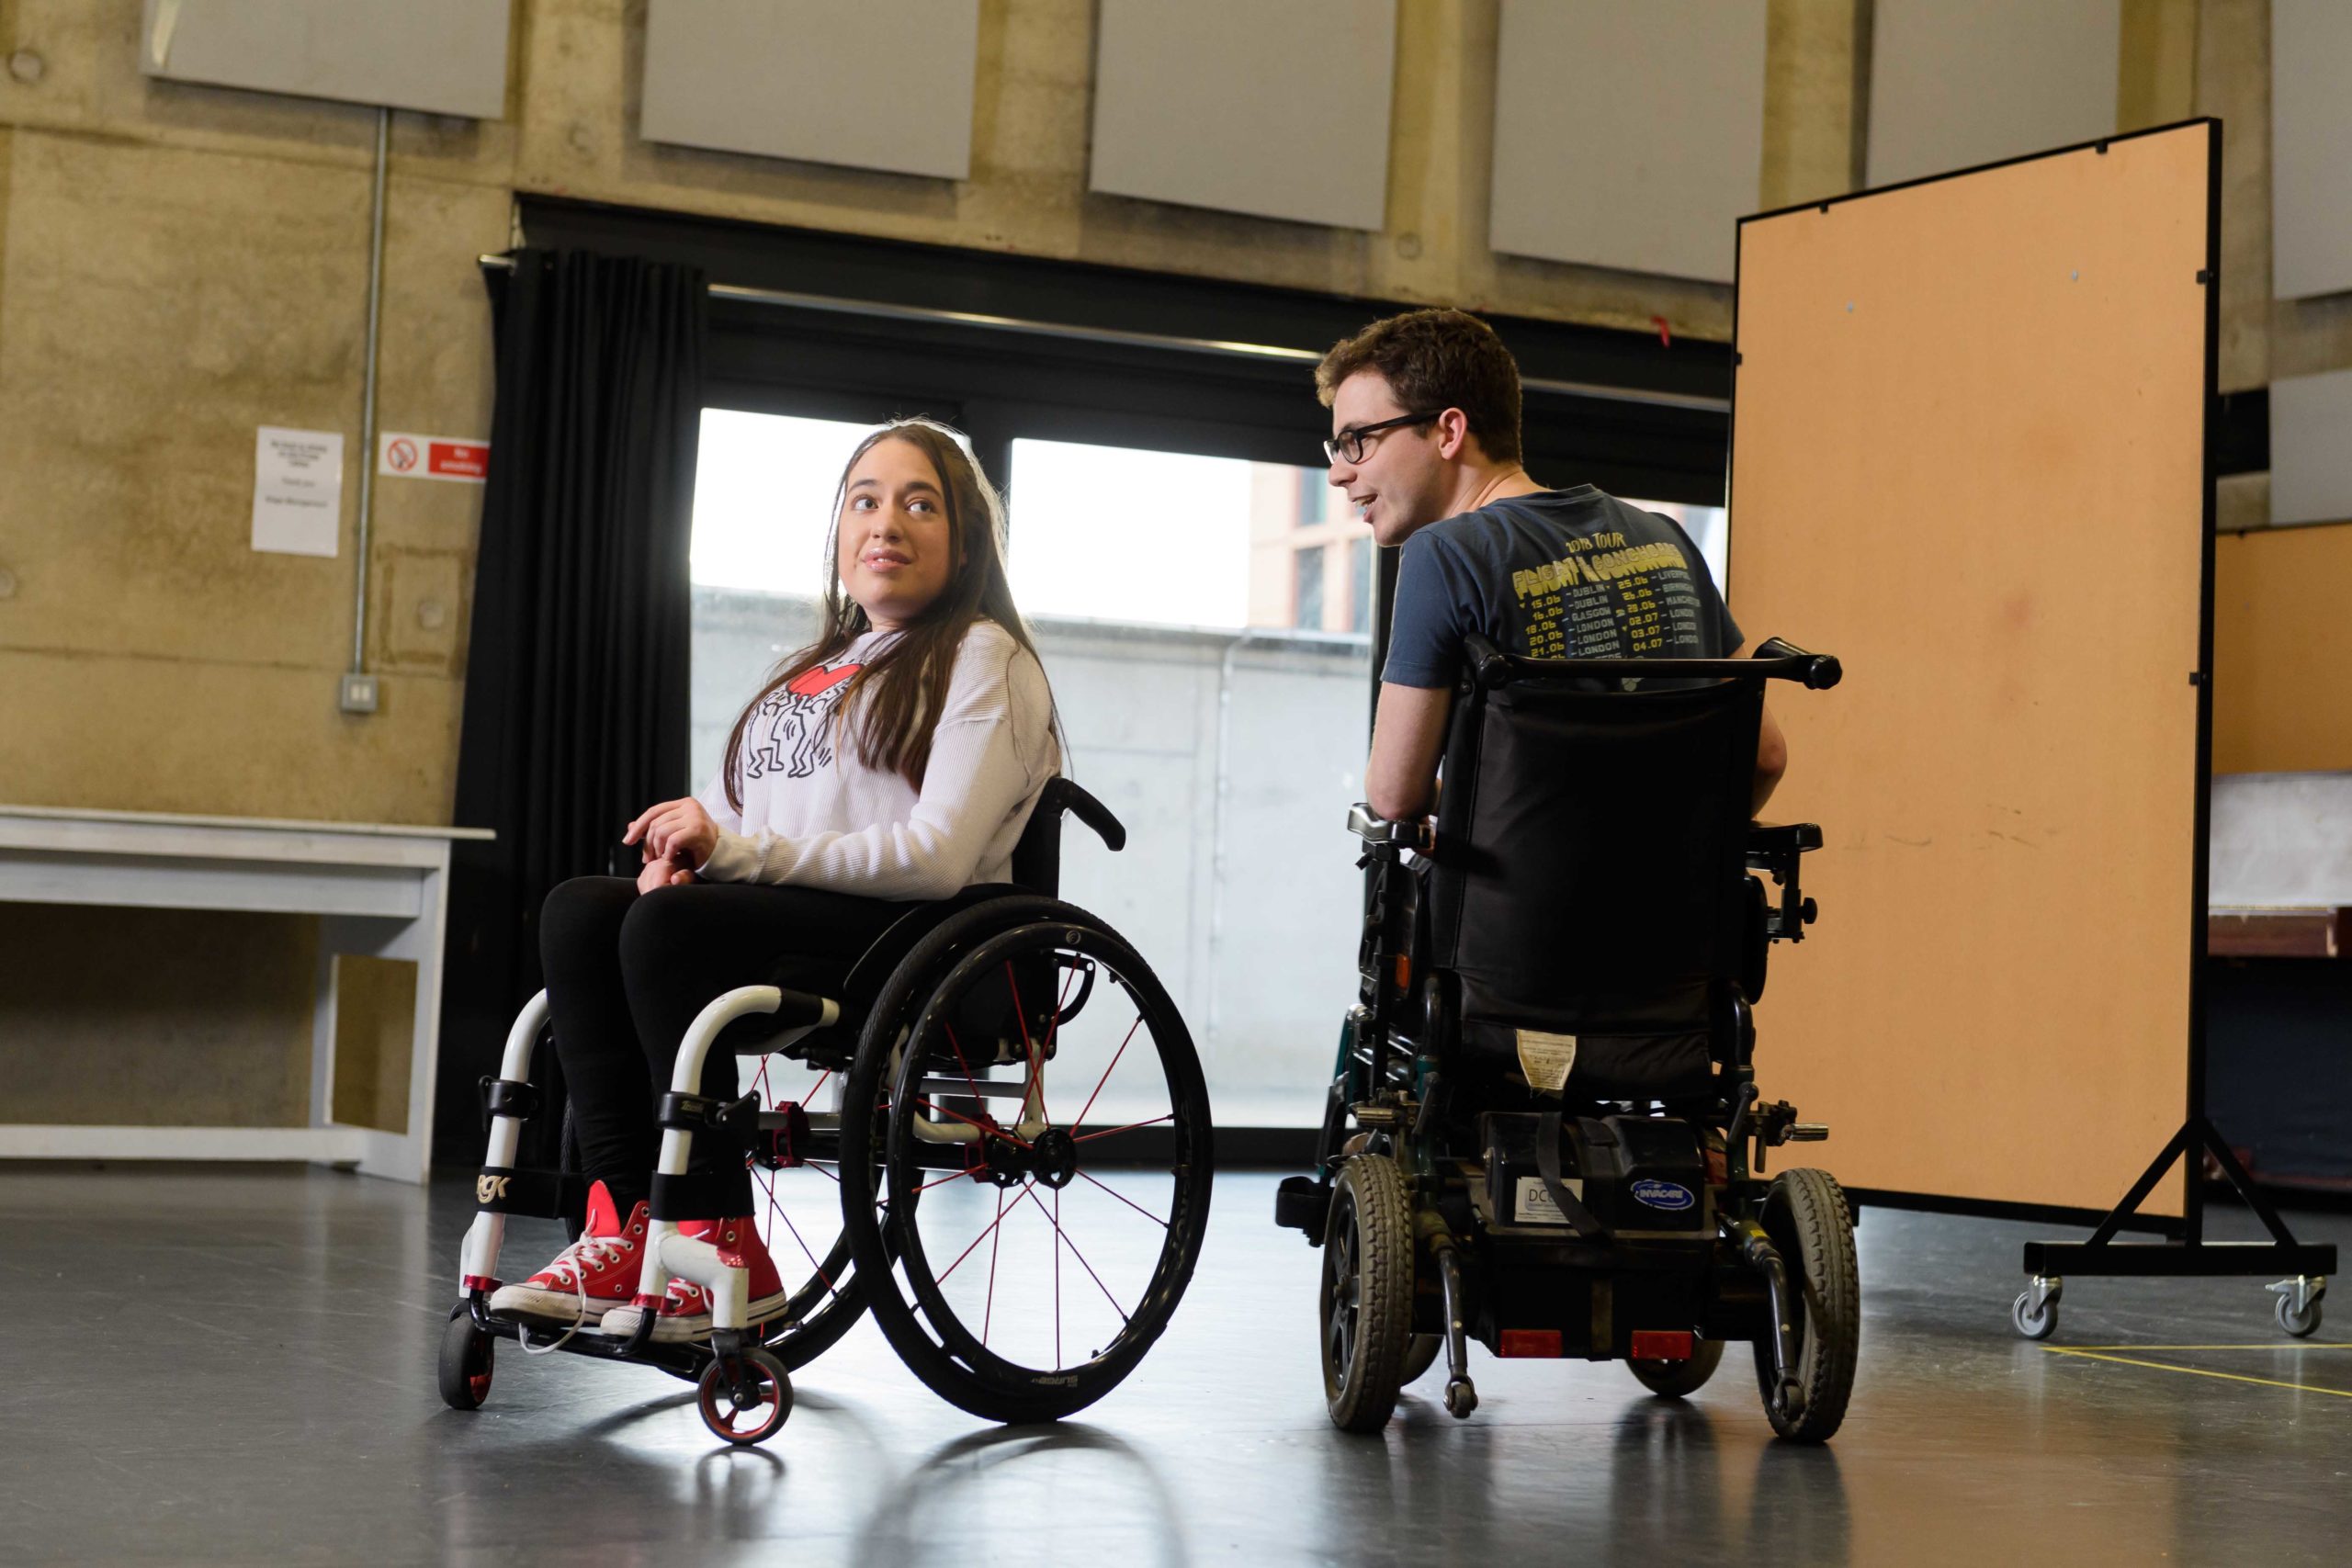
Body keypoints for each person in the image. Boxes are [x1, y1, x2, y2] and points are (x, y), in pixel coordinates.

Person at [491, 417, 1061, 1343]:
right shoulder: (807, 670)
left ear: (965, 544)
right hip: (780, 913)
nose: (888, 523)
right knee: (581, 913)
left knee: (665, 935)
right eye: (865, 501)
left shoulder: (983, 658)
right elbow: (737, 825)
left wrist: (735, 857)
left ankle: (722, 1244)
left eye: (922, 504)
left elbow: (936, 855)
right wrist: (682, 857)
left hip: (902, 936)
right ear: (837, 535)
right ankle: (631, 1223)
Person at [1316, 308, 1786, 823]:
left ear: (1448, 431)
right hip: (1683, 902)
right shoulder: (1667, 539)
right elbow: (1765, 757)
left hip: (1518, 903)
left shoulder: (1444, 553)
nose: (1339, 472)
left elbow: (1394, 795)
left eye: (1356, 441)